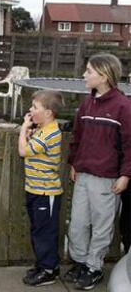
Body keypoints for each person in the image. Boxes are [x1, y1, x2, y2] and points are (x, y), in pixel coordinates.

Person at [64, 53, 131, 290]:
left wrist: (125, 175)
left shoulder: (124, 107)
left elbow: (129, 145)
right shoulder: (87, 103)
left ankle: (94, 267)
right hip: (83, 174)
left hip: (107, 180)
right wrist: (74, 162)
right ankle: (81, 262)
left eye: (89, 71)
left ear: (104, 75)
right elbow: (78, 137)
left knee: (102, 226)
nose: (84, 74)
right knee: (78, 224)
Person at [18, 90, 65, 286]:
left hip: (46, 193)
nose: (30, 110)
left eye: (35, 107)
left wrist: (23, 130)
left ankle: (49, 270)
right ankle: (43, 264)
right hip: (35, 190)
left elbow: (23, 151)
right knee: (38, 229)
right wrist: (31, 131)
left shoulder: (50, 132)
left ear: (48, 113)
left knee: (44, 232)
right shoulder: (43, 129)